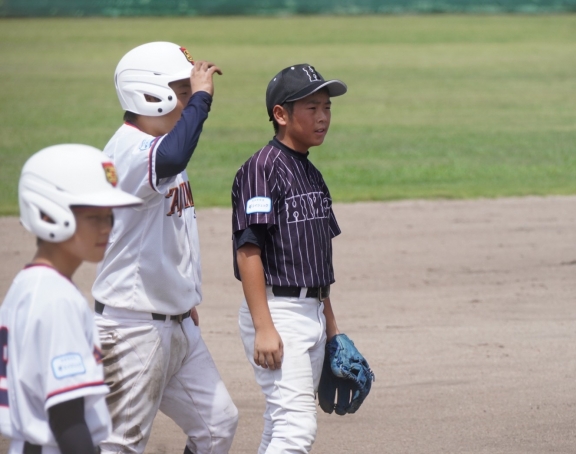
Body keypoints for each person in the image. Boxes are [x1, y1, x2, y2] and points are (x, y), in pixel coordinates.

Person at [91, 42, 238, 454]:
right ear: (150, 94)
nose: (191, 98)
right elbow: (172, 157)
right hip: (132, 329)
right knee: (120, 445)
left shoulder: (159, 143)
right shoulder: (129, 150)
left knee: (217, 426)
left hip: (176, 323)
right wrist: (203, 100)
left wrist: (182, 294)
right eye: (184, 90)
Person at [231, 63, 348, 453]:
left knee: (280, 423)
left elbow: (317, 264)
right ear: (280, 114)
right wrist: (264, 327)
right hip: (278, 312)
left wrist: (332, 330)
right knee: (296, 427)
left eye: (327, 107)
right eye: (312, 108)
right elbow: (248, 250)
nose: (323, 117)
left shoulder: (312, 174)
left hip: (311, 312)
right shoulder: (261, 170)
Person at [0, 144, 142, 454]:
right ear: (48, 214)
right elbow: (67, 419)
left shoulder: (28, 284)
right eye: (94, 217)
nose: (107, 228)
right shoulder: (57, 300)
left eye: (109, 216)